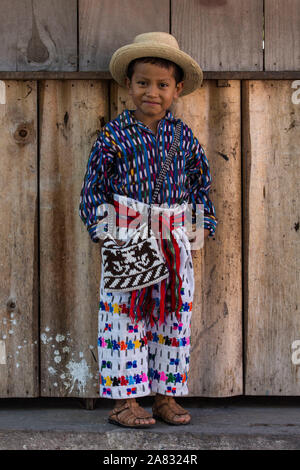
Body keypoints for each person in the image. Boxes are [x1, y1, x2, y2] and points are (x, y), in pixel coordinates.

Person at [79, 32, 218, 428]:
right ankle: (125, 403)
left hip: (173, 240)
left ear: (176, 89)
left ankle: (165, 396)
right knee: (122, 318)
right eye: (143, 83)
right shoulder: (112, 137)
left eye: (162, 85)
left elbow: (199, 186)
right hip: (128, 237)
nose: (151, 92)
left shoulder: (184, 138)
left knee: (172, 317)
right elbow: (94, 188)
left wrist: (201, 223)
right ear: (128, 85)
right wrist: (105, 232)